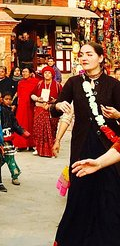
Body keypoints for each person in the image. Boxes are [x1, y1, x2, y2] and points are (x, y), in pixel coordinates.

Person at [51, 42, 120, 246]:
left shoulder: (113, 85)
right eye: (81, 54)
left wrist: (117, 114)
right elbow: (56, 109)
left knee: (109, 193)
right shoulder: (73, 82)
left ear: (100, 58)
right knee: (80, 193)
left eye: (89, 54)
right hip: (81, 145)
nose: (84, 58)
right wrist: (58, 105)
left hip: (108, 148)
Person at [0, 91, 30, 191]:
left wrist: (22, 132)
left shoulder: (9, 111)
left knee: (5, 156)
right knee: (9, 157)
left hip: (8, 137)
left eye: (10, 99)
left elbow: (14, 124)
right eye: (6, 99)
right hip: (1, 137)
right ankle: (15, 175)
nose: (8, 101)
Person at [31, 66, 60, 158]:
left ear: (52, 75)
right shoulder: (39, 84)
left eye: (49, 73)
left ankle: (51, 148)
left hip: (51, 109)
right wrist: (37, 98)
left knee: (52, 129)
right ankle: (38, 148)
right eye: (45, 73)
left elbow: (62, 97)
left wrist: (54, 101)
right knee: (38, 129)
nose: (47, 74)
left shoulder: (57, 85)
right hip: (40, 108)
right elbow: (32, 94)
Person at [13, 67, 35, 151]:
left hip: (30, 105)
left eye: (26, 72)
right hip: (22, 106)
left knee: (31, 124)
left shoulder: (35, 82)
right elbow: (18, 94)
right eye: (23, 72)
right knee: (21, 124)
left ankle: (31, 144)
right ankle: (21, 144)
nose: (24, 73)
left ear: (30, 73)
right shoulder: (20, 83)